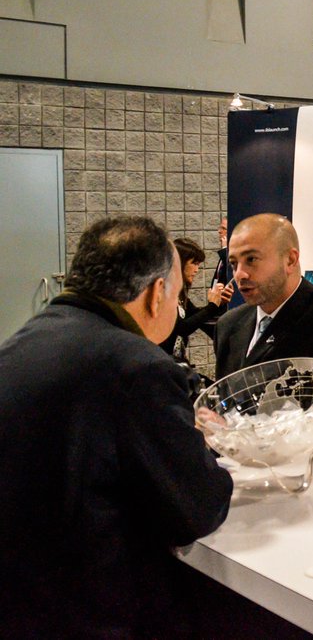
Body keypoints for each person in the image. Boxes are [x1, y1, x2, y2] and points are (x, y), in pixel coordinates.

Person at [0, 216, 233, 637]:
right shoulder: (138, 366)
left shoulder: (20, 344)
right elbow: (197, 508)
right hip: (95, 612)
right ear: (157, 294)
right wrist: (199, 440)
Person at [214, 213, 313, 443]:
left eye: (251, 260)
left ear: (290, 260)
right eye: (234, 263)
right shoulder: (228, 325)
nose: (240, 274)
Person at [159, 237, 234, 371]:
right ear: (179, 262)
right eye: (194, 263)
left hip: (176, 363)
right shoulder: (164, 293)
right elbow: (181, 328)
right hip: (163, 364)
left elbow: (197, 317)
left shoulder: (180, 294)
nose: (196, 269)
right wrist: (212, 306)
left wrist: (219, 302)